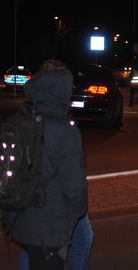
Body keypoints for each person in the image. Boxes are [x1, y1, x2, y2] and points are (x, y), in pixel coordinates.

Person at [7, 59, 87, 269]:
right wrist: (72, 217)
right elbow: (74, 186)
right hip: (52, 225)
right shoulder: (65, 129)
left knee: (32, 255)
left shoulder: (20, 120)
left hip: (20, 216)